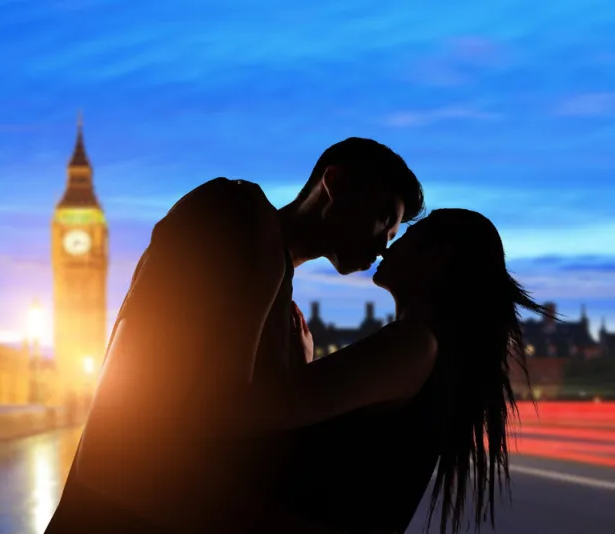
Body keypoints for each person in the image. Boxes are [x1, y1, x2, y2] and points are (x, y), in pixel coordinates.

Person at [43, 137, 425, 534]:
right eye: (383, 219)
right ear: (335, 182)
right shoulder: (238, 212)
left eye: (394, 235)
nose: (384, 246)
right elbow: (194, 423)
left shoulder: (283, 301)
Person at [261, 209, 549, 534]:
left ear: (436, 258)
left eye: (406, 239)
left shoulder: (412, 343)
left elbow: (271, 411)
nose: (386, 248)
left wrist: (297, 368)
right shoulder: (428, 350)